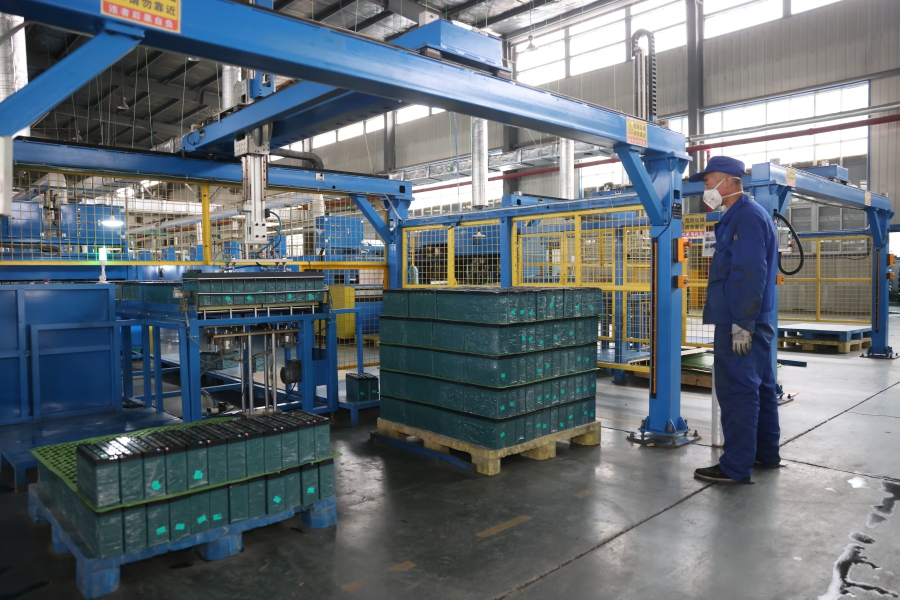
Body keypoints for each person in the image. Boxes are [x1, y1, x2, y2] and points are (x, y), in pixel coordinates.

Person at [690, 156, 782, 484]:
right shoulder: (741, 215)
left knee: (738, 390)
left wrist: (742, 323)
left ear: (727, 181)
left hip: (740, 321)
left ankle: (736, 466)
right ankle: (764, 454)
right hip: (750, 318)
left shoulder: (746, 217)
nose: (705, 189)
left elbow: (749, 273)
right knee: (761, 386)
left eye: (707, 182)